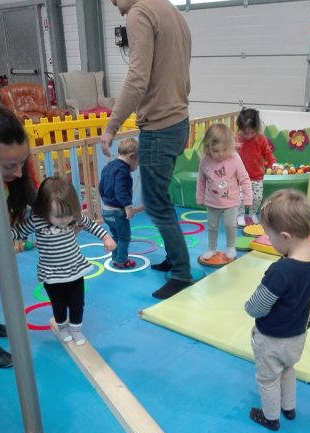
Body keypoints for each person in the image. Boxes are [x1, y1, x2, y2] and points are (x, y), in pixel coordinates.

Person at [100, 0, 192, 299]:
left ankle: (180, 272)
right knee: (161, 200)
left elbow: (137, 78)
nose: (119, 10)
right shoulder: (172, 12)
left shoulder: (140, 12)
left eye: (116, 2)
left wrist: (111, 126)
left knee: (155, 203)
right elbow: (182, 75)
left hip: (160, 127)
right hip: (179, 121)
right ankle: (174, 259)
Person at [245, 189, 310, 431]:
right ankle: (288, 408)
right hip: (298, 335)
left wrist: (248, 307)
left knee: (268, 379)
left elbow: (256, 308)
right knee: (288, 369)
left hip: (272, 339)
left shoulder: (282, 271)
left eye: (270, 238)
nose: (270, 242)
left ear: (285, 236)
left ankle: (271, 417)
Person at [11, 176, 116, 346]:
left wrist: (106, 237)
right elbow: (18, 232)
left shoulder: (72, 216)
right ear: (45, 210)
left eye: (69, 215)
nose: (65, 220)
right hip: (52, 276)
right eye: (59, 216)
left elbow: (91, 224)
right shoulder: (37, 220)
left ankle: (76, 330)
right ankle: (63, 328)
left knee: (77, 304)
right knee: (59, 306)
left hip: (75, 271)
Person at [0, 104, 38, 368]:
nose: (19, 171)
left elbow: (33, 197)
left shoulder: (17, 176)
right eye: (10, 165)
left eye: (22, 162)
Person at [196, 123, 252, 265]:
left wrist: (247, 198)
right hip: (212, 201)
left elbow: (244, 179)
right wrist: (200, 196)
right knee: (212, 226)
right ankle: (212, 248)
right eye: (215, 151)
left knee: (229, 225)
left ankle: (231, 247)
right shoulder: (205, 160)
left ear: (230, 146)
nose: (220, 154)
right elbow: (201, 180)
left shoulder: (234, 159)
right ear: (208, 147)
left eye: (224, 150)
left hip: (231, 201)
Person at [100, 137, 140, 268]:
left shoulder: (109, 166)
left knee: (116, 235)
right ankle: (122, 261)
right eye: (137, 161)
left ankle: (115, 257)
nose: (137, 165)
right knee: (124, 237)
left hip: (106, 210)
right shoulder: (123, 171)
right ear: (132, 156)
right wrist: (128, 207)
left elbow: (101, 186)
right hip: (117, 211)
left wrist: (106, 200)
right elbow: (120, 190)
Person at [236, 107, 276, 227]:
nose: (248, 136)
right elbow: (231, 154)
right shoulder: (237, 139)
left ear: (256, 129)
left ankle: (252, 213)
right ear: (240, 129)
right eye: (245, 132)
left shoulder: (260, 139)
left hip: (257, 176)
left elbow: (267, 153)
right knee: (242, 198)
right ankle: (240, 215)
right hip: (240, 177)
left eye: (251, 132)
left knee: (257, 198)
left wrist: (273, 163)